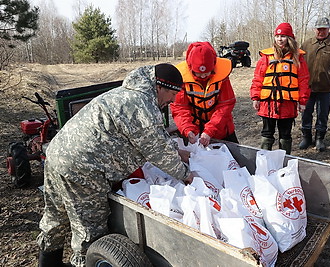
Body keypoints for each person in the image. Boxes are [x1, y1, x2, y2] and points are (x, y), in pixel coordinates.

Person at [37, 63, 196, 267]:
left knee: (55, 219)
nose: (174, 100)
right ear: (159, 87)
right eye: (173, 93)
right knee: (90, 232)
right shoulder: (141, 104)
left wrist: (176, 151)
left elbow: (153, 135)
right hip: (82, 171)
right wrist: (186, 175)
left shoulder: (130, 93)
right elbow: (156, 148)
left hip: (58, 156)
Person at [250, 23, 310, 154]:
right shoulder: (266, 57)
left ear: (289, 38)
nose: (280, 39)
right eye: (277, 36)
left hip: (287, 103)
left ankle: (284, 161)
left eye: (283, 36)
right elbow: (258, 78)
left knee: (285, 134)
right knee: (267, 133)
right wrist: (255, 97)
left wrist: (303, 101)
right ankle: (264, 160)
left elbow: (304, 80)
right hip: (268, 103)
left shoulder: (298, 58)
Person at [170, 41, 238, 147]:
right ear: (190, 67)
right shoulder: (182, 77)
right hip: (194, 131)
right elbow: (179, 109)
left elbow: (225, 106)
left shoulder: (222, 75)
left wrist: (210, 130)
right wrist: (187, 129)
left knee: (235, 160)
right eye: (198, 73)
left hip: (221, 129)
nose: (203, 77)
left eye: (207, 73)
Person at [299, 17, 330, 152]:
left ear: (329, 29)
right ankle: (306, 136)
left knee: (323, 113)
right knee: (306, 112)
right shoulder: (307, 44)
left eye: (324, 29)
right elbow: (299, 63)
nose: (321, 31)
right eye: (318, 29)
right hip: (308, 87)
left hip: (326, 87)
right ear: (315, 29)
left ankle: (320, 138)